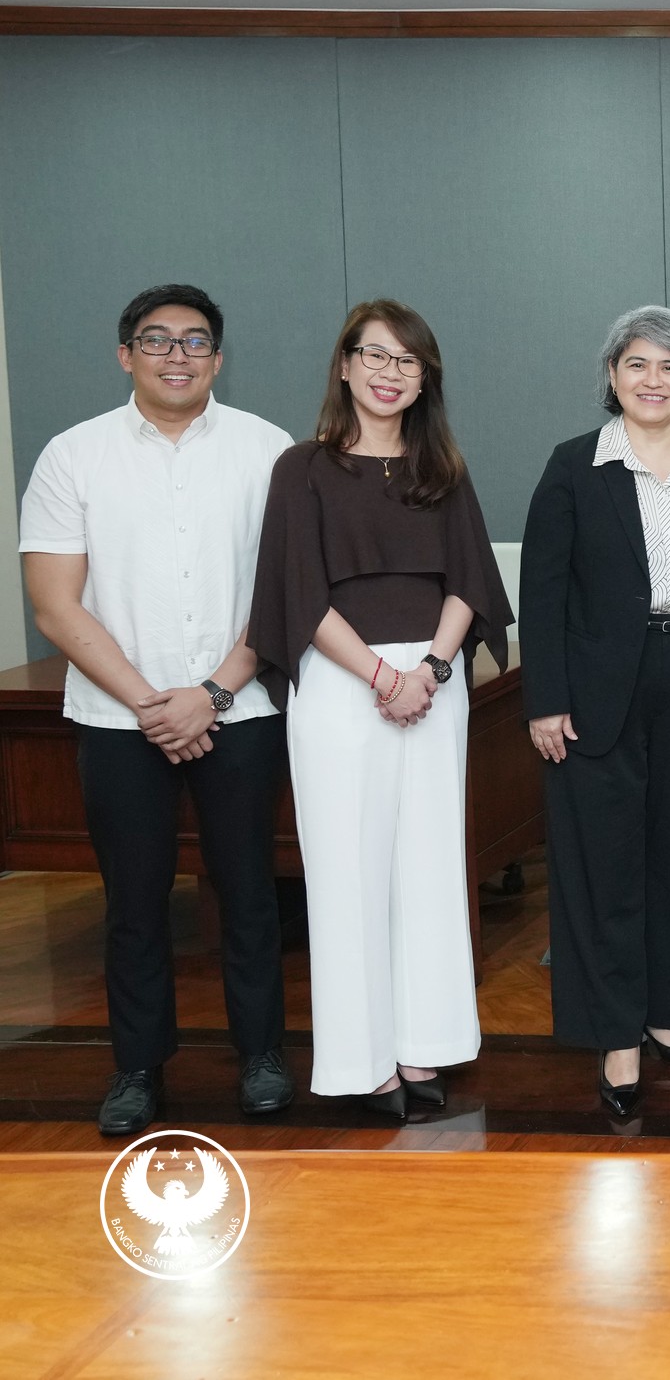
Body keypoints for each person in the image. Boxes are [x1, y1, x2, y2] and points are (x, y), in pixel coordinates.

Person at [21, 285, 297, 1136]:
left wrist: (209, 695)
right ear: (125, 355)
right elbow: (53, 603)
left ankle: (262, 1055)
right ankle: (137, 1067)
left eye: (195, 341)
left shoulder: (269, 450)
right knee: (134, 904)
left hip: (240, 710)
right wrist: (152, 705)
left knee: (249, 893)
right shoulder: (72, 455)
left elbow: (283, 591)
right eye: (157, 340)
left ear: (218, 358)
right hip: (119, 722)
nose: (177, 355)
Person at [250, 300, 510, 1118]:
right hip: (341, 684)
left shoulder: (444, 471)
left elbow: (470, 581)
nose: (390, 373)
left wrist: (429, 668)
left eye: (408, 360)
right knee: (348, 874)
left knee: (430, 869)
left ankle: (425, 1044)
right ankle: (363, 1062)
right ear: (344, 364)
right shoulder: (302, 469)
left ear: (426, 378)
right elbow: (299, 595)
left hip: (433, 681)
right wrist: (380, 676)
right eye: (375, 355)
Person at [521, 306, 670, 1120]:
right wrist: (546, 700)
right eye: (637, 364)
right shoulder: (574, 465)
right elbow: (542, 592)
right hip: (596, 690)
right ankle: (616, 1035)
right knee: (605, 862)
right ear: (612, 376)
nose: (653, 380)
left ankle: (668, 1014)